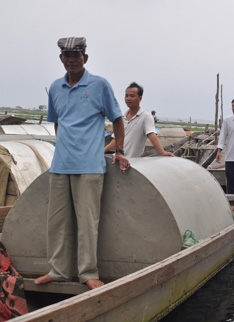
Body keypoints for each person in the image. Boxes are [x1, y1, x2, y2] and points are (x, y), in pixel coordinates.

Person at [35, 36, 130, 290]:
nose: (71, 60)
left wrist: (119, 150)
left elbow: (118, 119)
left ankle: (88, 273)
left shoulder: (99, 85)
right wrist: (65, 147)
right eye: (67, 56)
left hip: (89, 165)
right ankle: (57, 271)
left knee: (87, 223)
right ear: (61, 59)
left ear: (85, 58)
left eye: (76, 56)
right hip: (60, 165)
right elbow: (57, 122)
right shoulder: (55, 88)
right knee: (56, 222)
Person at [104, 82, 174, 158]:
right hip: (118, 159)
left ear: (140, 98)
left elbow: (151, 135)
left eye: (132, 96)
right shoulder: (121, 118)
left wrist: (163, 152)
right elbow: (116, 141)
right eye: (126, 96)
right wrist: (103, 151)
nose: (128, 98)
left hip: (133, 162)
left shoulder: (146, 117)